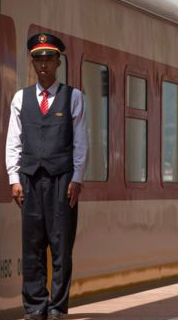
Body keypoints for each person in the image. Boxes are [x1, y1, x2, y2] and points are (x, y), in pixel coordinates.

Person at [5, 33, 87, 320]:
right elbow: (13, 142)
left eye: (49, 59)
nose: (43, 65)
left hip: (62, 180)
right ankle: (36, 304)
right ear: (32, 63)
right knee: (32, 245)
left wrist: (76, 178)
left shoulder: (73, 97)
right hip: (29, 179)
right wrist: (14, 178)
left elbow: (80, 142)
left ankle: (57, 307)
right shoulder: (20, 98)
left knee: (61, 244)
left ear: (58, 62)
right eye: (38, 59)